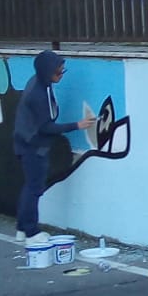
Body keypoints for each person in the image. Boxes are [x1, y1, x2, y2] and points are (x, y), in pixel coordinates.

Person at [13, 49, 95, 244]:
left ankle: (22, 228)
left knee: (31, 187)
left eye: (62, 71)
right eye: (57, 72)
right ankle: (31, 232)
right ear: (46, 71)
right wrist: (77, 125)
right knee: (34, 188)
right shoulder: (38, 95)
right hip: (32, 145)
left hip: (28, 142)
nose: (61, 75)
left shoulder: (39, 83)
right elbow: (45, 127)